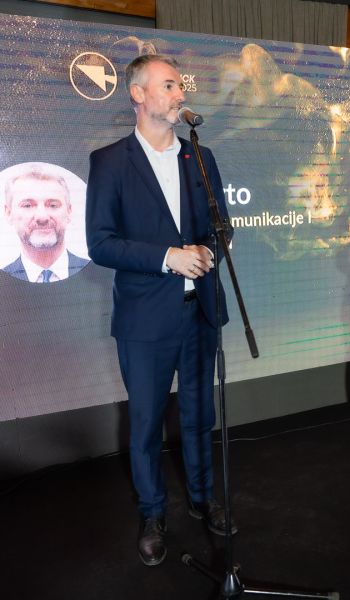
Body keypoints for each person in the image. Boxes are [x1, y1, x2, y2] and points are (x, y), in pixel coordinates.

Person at [85, 54, 235, 567]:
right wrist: (168, 258)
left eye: (179, 86)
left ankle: (202, 497)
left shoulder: (200, 157)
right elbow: (101, 243)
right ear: (138, 93)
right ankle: (152, 513)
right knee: (147, 422)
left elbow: (221, 227)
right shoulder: (110, 161)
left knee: (199, 414)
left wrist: (208, 251)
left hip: (199, 313)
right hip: (145, 319)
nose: (180, 94)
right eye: (169, 85)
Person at [3, 164, 89, 282]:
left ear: (69, 211)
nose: (42, 217)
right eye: (27, 205)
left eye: (53, 205)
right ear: (8, 213)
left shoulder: (99, 273)